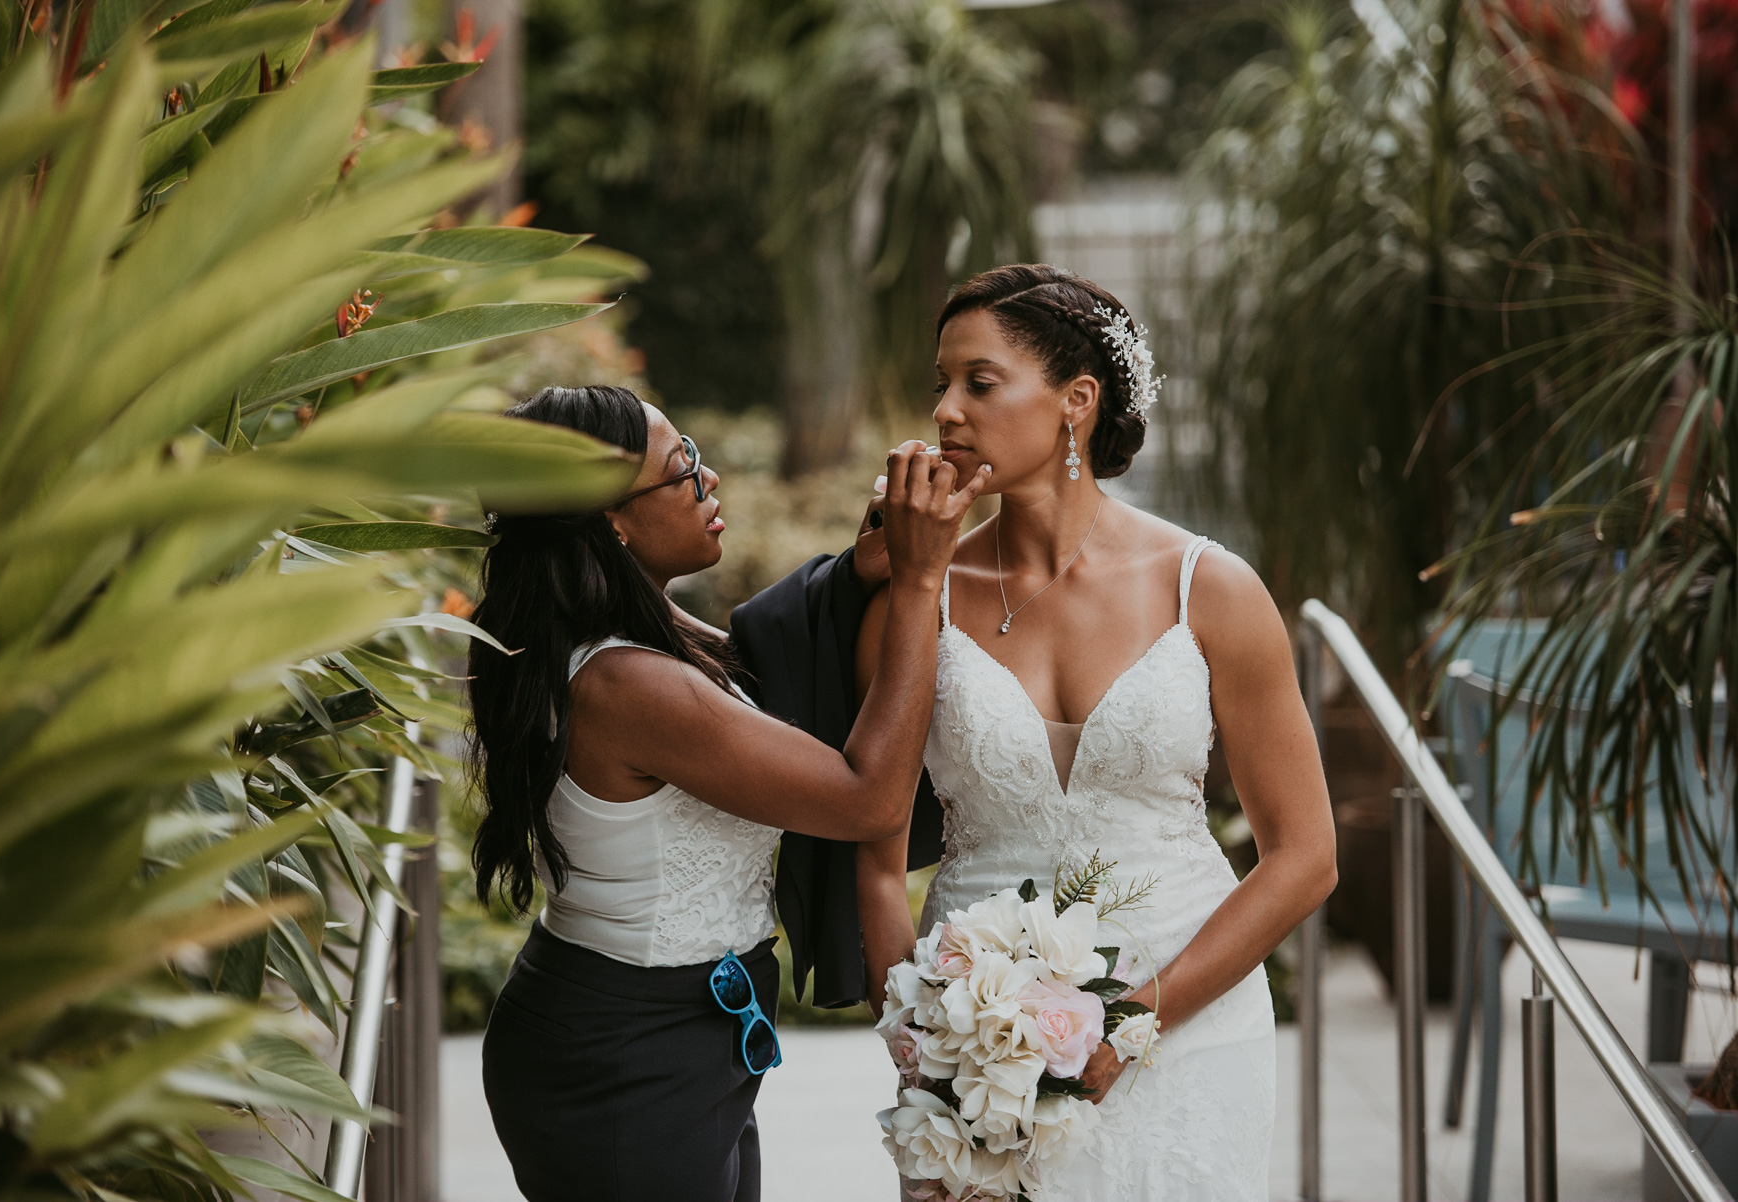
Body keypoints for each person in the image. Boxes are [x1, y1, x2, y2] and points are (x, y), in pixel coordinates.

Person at [855, 265, 1337, 1199]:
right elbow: (874, 860)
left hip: (1190, 1032)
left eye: (979, 383)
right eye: (940, 386)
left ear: (1076, 401)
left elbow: (1305, 855)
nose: (947, 411)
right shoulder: (918, 600)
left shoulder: (1211, 587)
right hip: (978, 1055)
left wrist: (1135, 1024)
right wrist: (922, 1055)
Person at [468, 384, 988, 1202]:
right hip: (625, 1061)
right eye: (684, 472)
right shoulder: (627, 685)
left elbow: (751, 665)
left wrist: (858, 575)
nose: (713, 485)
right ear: (611, 520)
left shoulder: (623, 632)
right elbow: (867, 800)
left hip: (664, 1035)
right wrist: (920, 583)